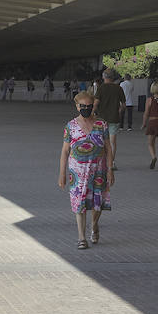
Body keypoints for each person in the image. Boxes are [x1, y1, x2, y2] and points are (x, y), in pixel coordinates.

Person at [57, 91, 113, 249]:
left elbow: (108, 148)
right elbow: (65, 151)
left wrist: (110, 170)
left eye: (89, 106)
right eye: (83, 106)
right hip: (78, 173)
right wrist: (62, 173)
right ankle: (81, 238)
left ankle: (94, 225)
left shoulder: (102, 125)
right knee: (79, 203)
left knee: (97, 204)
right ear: (77, 106)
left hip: (98, 171)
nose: (86, 109)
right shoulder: (71, 126)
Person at [94, 69, 126, 170]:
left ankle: (100, 162)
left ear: (104, 77)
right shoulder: (118, 88)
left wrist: (91, 114)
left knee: (100, 140)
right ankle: (111, 163)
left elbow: (96, 103)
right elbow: (123, 104)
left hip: (101, 119)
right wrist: (119, 111)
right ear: (113, 77)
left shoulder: (101, 88)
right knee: (112, 142)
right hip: (114, 118)